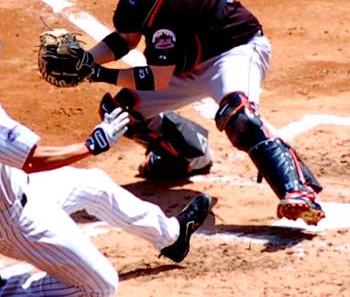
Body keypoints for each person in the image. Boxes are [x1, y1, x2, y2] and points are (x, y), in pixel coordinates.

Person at [85, 0, 325, 227]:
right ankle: (187, 156)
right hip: (189, 65)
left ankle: (299, 191)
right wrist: (87, 60)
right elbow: (126, 38)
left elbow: (157, 78)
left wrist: (97, 73)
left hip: (233, 51)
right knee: (119, 113)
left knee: (238, 115)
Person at [0, 75, 211, 295]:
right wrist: (92, 145)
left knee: (94, 185)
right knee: (100, 286)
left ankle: (171, 238)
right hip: (16, 222)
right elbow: (33, 160)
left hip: (25, 188)